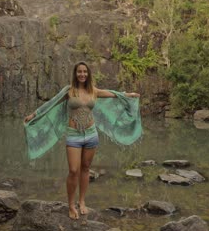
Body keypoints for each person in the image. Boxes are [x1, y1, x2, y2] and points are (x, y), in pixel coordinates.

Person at [24, 61, 141, 220]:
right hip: (74, 135)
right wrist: (34, 115)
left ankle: (82, 201)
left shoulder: (94, 91)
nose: (82, 74)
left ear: (88, 74)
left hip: (91, 135)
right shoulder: (69, 91)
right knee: (73, 170)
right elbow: (51, 104)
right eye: (79, 72)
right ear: (75, 73)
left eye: (85, 72)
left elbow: (114, 94)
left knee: (85, 169)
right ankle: (71, 205)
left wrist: (129, 96)